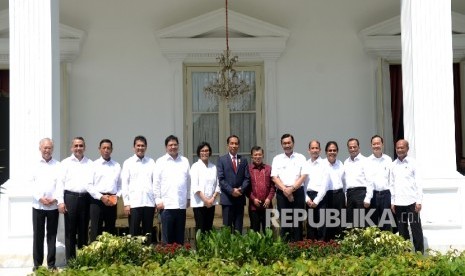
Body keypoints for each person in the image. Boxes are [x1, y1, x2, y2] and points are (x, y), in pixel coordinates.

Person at [57, 137, 93, 261]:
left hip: (85, 199)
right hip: (70, 198)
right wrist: (60, 202)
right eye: (76, 146)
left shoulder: (90, 163)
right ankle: (71, 262)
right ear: (72, 148)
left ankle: (83, 261)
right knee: (70, 232)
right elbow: (60, 184)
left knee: (83, 231)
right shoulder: (65, 163)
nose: (78, 148)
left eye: (81, 146)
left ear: (84, 147)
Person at [271, 134, 308, 242]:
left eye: (289, 143)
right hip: (282, 193)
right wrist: (286, 190)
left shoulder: (301, 157)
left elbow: (304, 176)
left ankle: (298, 247)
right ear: (281, 145)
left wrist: (291, 189)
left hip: (298, 192)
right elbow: (274, 177)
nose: (287, 145)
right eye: (284, 143)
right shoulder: (277, 159)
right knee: (285, 222)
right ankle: (285, 248)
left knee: (297, 222)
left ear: (293, 143)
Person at [154, 135, 190, 244]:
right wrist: (158, 200)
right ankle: (168, 260)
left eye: (175, 144)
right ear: (166, 147)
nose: (173, 147)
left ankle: (179, 260)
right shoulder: (160, 161)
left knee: (179, 237)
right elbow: (156, 183)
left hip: (180, 205)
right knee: (167, 238)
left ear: (178, 146)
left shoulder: (184, 161)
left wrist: (188, 198)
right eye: (170, 145)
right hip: (166, 206)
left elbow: (188, 181)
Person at [30, 138, 60, 271]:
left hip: (53, 206)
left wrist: (55, 199)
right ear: (40, 148)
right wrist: (40, 198)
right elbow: (31, 184)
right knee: (38, 235)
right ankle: (37, 264)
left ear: (52, 149)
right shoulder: (34, 165)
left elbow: (60, 184)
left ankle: (51, 264)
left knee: (52, 236)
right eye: (45, 148)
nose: (47, 150)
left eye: (49, 148)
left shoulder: (58, 165)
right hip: (38, 206)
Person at [390, 139, 424, 253]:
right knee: (402, 231)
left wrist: (419, 201)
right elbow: (392, 184)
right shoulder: (393, 165)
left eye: (402, 147)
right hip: (399, 203)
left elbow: (418, 182)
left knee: (416, 230)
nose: (399, 150)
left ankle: (419, 255)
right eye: (398, 148)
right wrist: (393, 202)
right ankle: (406, 255)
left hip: (412, 202)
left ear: (407, 149)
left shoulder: (413, 163)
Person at [121, 135, 156, 244]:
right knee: (134, 232)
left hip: (149, 203)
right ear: (134, 147)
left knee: (148, 232)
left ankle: (147, 256)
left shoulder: (151, 162)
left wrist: (155, 201)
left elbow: (155, 183)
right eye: (138, 145)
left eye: (143, 146)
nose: (140, 148)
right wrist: (126, 203)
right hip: (134, 203)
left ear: (146, 147)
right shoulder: (128, 163)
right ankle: (134, 257)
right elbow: (124, 184)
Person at [88, 139, 121, 242]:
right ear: (99, 149)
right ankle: (95, 255)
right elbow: (88, 185)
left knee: (110, 229)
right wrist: (101, 197)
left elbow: (120, 185)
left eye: (108, 148)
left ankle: (109, 255)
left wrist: (117, 196)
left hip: (112, 200)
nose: (106, 150)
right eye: (104, 148)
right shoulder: (93, 165)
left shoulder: (117, 165)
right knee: (95, 229)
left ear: (112, 150)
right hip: (97, 200)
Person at [217, 135, 250, 233]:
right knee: (227, 229)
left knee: (238, 228)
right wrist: (231, 191)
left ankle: (238, 248)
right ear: (228, 145)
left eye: (236, 143)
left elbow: (247, 178)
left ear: (238, 145)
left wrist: (240, 190)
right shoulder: (221, 160)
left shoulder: (243, 160)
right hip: (227, 199)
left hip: (239, 199)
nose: (234, 145)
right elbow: (221, 179)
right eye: (231, 143)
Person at [365, 135, 394, 231]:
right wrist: (368, 198)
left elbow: (391, 180)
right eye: (374, 144)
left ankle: (385, 245)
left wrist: (393, 198)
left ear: (382, 144)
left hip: (386, 195)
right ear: (371, 145)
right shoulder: (367, 161)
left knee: (386, 223)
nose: (376, 146)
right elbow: (368, 181)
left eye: (378, 143)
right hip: (373, 195)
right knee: (372, 223)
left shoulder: (388, 159)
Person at [190, 142, 220, 234]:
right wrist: (206, 201)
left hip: (211, 203)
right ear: (199, 153)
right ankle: (200, 249)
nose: (204, 153)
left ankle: (208, 249)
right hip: (199, 204)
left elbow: (217, 185)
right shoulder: (195, 166)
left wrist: (212, 199)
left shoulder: (213, 167)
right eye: (202, 151)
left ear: (209, 152)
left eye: (206, 151)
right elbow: (195, 186)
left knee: (209, 229)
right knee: (200, 229)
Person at [343, 138, 372, 227]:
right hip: (350, 194)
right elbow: (345, 182)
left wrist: (368, 198)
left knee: (362, 223)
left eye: (354, 147)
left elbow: (370, 181)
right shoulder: (346, 162)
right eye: (350, 147)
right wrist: (346, 197)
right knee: (351, 223)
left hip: (361, 193)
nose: (352, 149)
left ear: (359, 147)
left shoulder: (365, 161)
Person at [305, 140, 330, 240]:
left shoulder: (325, 164)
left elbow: (325, 184)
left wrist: (316, 200)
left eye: (316, 148)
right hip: (308, 197)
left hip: (321, 196)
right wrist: (307, 199)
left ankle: (322, 246)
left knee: (322, 223)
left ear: (320, 150)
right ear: (309, 150)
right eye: (312, 148)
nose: (314, 150)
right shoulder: (305, 164)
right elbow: (303, 184)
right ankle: (311, 247)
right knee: (310, 224)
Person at [247, 146, 275, 233]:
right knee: (255, 231)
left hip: (267, 205)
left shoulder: (269, 169)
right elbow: (246, 188)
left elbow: (273, 186)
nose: (257, 157)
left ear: (263, 155)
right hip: (254, 206)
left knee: (268, 231)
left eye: (259, 154)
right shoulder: (248, 169)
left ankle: (268, 246)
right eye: (255, 155)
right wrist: (253, 199)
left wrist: (269, 199)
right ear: (252, 156)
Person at [323, 141, 345, 241]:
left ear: (337, 151)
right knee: (327, 220)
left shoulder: (341, 164)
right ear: (326, 152)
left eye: (334, 150)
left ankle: (339, 243)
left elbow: (345, 181)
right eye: (330, 150)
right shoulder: (322, 164)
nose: (332, 152)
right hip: (326, 195)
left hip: (339, 195)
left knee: (340, 220)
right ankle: (328, 244)